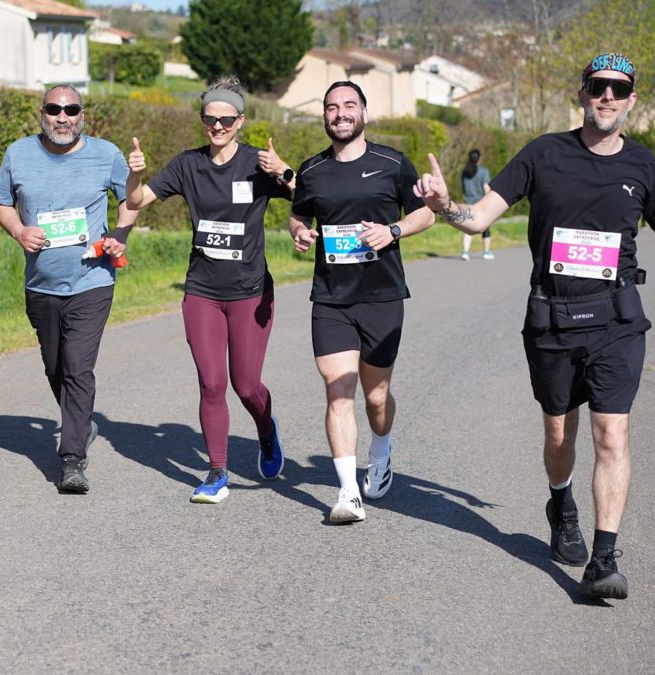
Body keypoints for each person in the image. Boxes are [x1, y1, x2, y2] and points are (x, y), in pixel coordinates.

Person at [415, 52, 655, 600]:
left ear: (632, 100)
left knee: (612, 431)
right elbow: (481, 215)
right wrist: (447, 207)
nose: (607, 96)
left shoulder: (644, 166)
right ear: (583, 94)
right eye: (598, 87)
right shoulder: (544, 152)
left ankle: (604, 558)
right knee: (559, 431)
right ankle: (561, 502)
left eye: (618, 88)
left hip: (616, 319)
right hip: (552, 319)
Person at [125, 75, 293, 503]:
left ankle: (266, 430)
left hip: (250, 291)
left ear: (241, 120)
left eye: (226, 119)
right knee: (212, 383)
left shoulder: (259, 163)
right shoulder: (187, 164)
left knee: (247, 386)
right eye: (210, 119)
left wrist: (286, 173)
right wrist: (134, 176)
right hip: (201, 290)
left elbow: (311, 198)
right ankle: (217, 472)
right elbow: (136, 202)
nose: (217, 127)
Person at [288, 81, 436, 523]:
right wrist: (298, 231)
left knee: (376, 396)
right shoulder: (311, 170)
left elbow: (425, 213)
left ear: (364, 114)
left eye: (349, 105)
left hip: (382, 296)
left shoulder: (392, 163)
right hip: (331, 298)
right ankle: (348, 493)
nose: (340, 114)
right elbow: (298, 213)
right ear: (325, 117)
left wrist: (392, 231)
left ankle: (382, 448)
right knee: (338, 392)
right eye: (332, 107)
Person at [0, 84, 136, 494]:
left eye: (71, 109)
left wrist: (120, 234)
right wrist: (19, 230)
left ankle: (72, 458)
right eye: (54, 109)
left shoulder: (106, 154)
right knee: (55, 366)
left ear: (82, 114)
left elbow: (132, 198)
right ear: (42, 113)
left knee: (77, 364)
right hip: (41, 284)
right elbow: (2, 203)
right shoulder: (18, 153)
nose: (62, 117)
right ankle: (82, 421)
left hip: (93, 278)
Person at [459, 149, 493, 260]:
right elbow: (486, 188)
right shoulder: (484, 171)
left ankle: (465, 252)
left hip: (468, 204)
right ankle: (486, 252)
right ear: (479, 158)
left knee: (468, 228)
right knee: (485, 228)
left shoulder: (464, 172)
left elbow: (463, 187)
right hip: (480, 204)